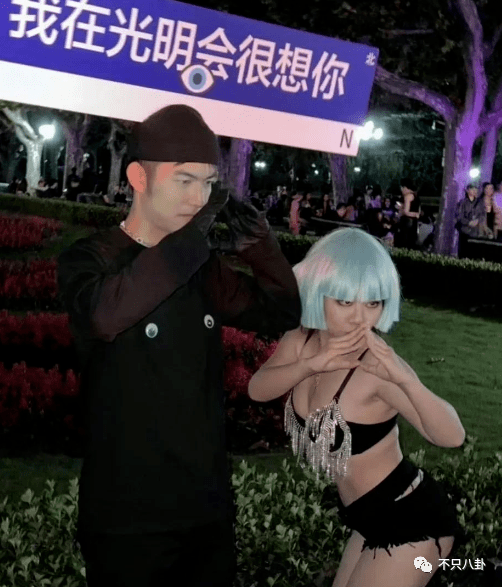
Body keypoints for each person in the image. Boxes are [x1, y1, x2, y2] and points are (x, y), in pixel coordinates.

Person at [57, 104, 301, 587]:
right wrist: (191, 241)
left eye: (208, 184)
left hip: (204, 510)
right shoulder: (90, 259)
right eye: (185, 180)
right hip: (127, 516)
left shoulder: (200, 268)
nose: (199, 197)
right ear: (138, 177)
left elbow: (280, 314)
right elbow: (106, 315)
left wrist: (262, 249)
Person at [249, 228, 464, 587]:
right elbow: (258, 389)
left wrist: (407, 380)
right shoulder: (301, 340)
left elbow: (452, 437)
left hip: (413, 522)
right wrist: (311, 365)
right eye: (345, 302)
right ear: (318, 292)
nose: (360, 318)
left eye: (373, 303)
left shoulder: (377, 368)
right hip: (366, 521)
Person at [455, 183, 484, 258]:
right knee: (463, 251)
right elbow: (459, 216)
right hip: (464, 231)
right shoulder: (462, 203)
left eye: (476, 189)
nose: (475, 191)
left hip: (476, 231)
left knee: (474, 253)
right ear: (468, 190)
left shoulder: (480, 203)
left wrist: (477, 221)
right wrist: (468, 222)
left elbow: (483, 215)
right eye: (473, 189)